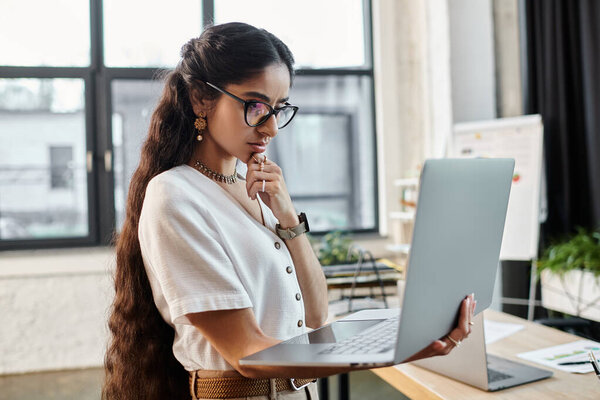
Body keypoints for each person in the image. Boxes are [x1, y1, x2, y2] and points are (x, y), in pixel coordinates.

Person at [102, 22, 475, 400]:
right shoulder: (175, 196)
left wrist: (288, 216)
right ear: (201, 98)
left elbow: (315, 317)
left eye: (279, 109)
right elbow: (247, 351)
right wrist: (388, 350)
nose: (272, 128)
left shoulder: (256, 186)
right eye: (256, 106)